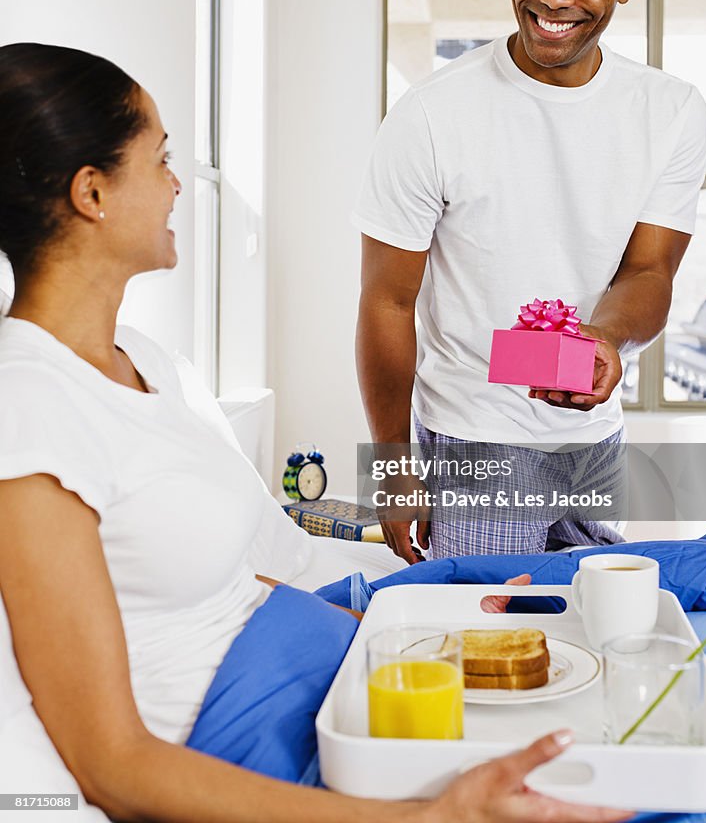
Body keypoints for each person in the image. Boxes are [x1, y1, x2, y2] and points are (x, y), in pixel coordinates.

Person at [0, 43, 630, 823]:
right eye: (159, 159)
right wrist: (429, 818)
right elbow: (114, 766)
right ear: (92, 190)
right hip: (265, 744)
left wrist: (418, 632)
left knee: (651, 629)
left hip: (339, 674)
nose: (176, 186)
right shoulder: (29, 411)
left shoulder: (148, 362)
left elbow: (221, 580)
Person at [354, 0, 706, 564]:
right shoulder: (432, 113)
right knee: (489, 633)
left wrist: (599, 343)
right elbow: (387, 300)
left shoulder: (669, 111)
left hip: (595, 436)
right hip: (476, 436)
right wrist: (395, 469)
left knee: (591, 626)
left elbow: (648, 270)